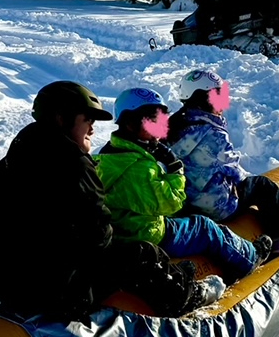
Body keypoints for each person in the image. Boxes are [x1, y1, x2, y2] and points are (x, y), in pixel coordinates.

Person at [0, 80, 221, 321]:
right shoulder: (72, 166)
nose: (92, 129)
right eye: (87, 120)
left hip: (2, 285)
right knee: (141, 253)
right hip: (52, 294)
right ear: (61, 118)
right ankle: (187, 298)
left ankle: (173, 273)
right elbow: (99, 239)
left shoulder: (7, 165)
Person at [95, 86, 268, 283]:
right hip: (146, 233)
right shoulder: (139, 168)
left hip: (125, 226)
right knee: (204, 227)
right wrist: (176, 170)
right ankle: (250, 257)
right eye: (151, 120)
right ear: (130, 124)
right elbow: (173, 202)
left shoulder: (109, 154)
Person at [168, 69, 279, 250]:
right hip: (217, 207)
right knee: (263, 186)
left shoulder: (172, 129)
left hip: (186, 206)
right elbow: (234, 172)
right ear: (204, 99)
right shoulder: (214, 134)